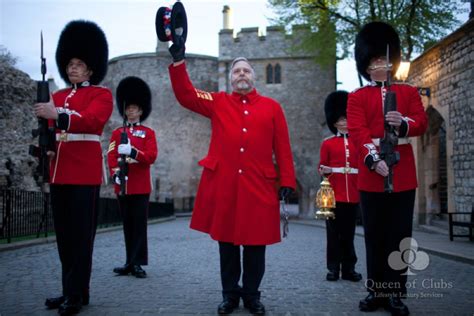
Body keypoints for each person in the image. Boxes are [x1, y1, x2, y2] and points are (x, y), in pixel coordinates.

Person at [167, 38, 296, 315]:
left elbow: (283, 148)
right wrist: (178, 61)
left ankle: (251, 295)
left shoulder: (273, 107)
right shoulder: (217, 102)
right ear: (230, 77)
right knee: (226, 244)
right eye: (236, 71)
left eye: (246, 70)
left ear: (253, 76)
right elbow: (186, 95)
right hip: (224, 184)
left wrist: (286, 181)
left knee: (255, 246)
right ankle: (229, 295)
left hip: (259, 185)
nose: (241, 74)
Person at [347, 22, 428, 316]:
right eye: (374, 61)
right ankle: (375, 291)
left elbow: (421, 122)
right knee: (375, 237)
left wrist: (402, 122)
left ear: (391, 62)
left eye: (383, 59)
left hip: (403, 173)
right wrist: (373, 159)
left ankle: (395, 293)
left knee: (399, 236)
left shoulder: (408, 93)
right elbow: (357, 132)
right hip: (372, 175)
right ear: (367, 67)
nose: (379, 64)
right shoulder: (357, 96)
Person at [33, 20, 112, 315]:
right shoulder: (55, 96)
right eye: (70, 64)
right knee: (65, 238)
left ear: (91, 68)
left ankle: (78, 294)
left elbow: (92, 122)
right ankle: (71, 291)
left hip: (83, 172)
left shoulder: (101, 95)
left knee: (81, 237)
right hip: (59, 171)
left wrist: (59, 115)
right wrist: (46, 141)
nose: (73, 68)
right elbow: (49, 131)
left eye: (80, 64)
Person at [107, 76, 158, 279]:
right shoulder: (116, 133)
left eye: (134, 108)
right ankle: (129, 261)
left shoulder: (148, 133)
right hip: (123, 185)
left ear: (141, 111)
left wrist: (133, 152)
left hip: (139, 185)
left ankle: (138, 262)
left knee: (139, 226)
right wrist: (115, 173)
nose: (131, 111)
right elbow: (111, 156)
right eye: (128, 108)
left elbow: (151, 156)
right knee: (127, 225)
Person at [318, 91, 362, 283]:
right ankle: (333, 268)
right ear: (334, 122)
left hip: (352, 194)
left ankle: (349, 268)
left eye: (346, 118)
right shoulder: (327, 144)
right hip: (333, 194)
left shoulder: (358, 142)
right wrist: (326, 169)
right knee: (333, 234)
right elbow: (321, 166)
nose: (344, 122)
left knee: (349, 234)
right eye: (340, 119)